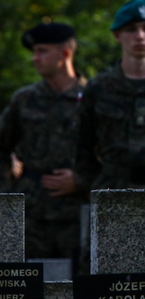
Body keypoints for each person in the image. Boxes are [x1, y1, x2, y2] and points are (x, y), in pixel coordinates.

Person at [75, 0, 145, 266]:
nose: (140, 36)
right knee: (103, 279)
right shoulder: (98, 89)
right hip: (111, 192)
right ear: (117, 35)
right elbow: (82, 147)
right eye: (131, 29)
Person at [0, 23, 86, 266]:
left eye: (42, 51)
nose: (35, 59)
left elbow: (111, 156)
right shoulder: (24, 100)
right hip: (33, 216)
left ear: (65, 54)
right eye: (34, 52)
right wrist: (9, 193)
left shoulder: (92, 98)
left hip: (79, 213)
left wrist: (81, 180)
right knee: (32, 291)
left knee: (81, 290)